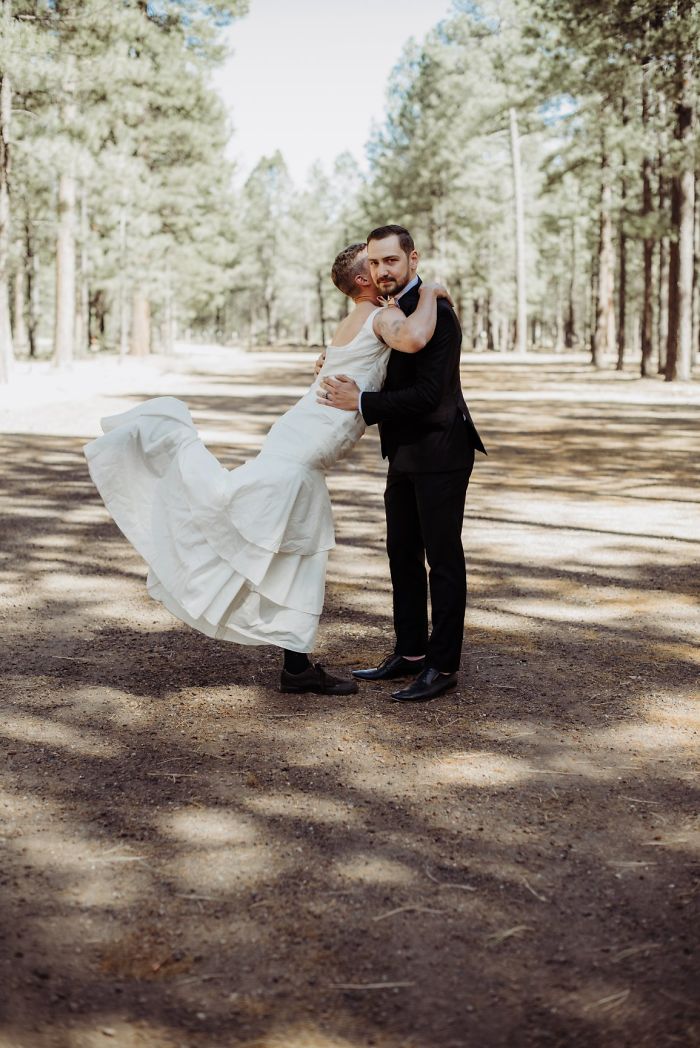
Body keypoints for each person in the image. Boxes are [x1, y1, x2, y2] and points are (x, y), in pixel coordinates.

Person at [84, 242, 451, 696]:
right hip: (300, 456)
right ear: (362, 281)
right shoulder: (379, 318)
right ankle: (168, 442)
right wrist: (432, 292)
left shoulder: (354, 322)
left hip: (296, 443)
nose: (381, 270)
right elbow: (414, 339)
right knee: (274, 541)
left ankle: (296, 667)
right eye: (373, 266)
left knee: (293, 552)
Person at [319, 224, 486, 702]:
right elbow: (374, 361)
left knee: (443, 559)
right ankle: (410, 652)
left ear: (413, 260)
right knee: (401, 555)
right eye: (374, 262)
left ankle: (442, 665)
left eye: (391, 260)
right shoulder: (387, 313)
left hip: (441, 451)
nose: (381, 270)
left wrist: (363, 402)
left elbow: (431, 396)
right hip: (403, 454)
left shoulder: (439, 316)